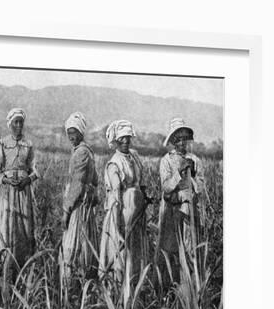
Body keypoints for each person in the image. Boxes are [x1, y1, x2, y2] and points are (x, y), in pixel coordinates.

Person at [0, 108, 39, 287]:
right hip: (7, 192)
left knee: (23, 228)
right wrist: (6, 179)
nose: (18, 125)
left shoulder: (28, 145)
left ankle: (22, 269)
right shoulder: (3, 144)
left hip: (23, 192)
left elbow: (36, 170)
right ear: (10, 124)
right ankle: (4, 268)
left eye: (21, 122)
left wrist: (27, 179)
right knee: (6, 226)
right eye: (15, 122)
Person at [99, 120, 149, 284]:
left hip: (136, 213)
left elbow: (140, 182)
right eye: (122, 138)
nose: (126, 141)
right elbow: (116, 197)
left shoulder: (134, 156)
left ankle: (135, 286)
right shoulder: (114, 164)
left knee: (135, 252)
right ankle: (116, 289)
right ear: (116, 141)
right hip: (121, 214)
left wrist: (144, 196)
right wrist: (118, 226)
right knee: (120, 253)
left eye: (128, 137)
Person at [157, 117, 205, 285]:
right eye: (178, 139)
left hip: (190, 211)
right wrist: (180, 172)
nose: (182, 142)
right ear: (173, 141)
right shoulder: (167, 161)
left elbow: (200, 187)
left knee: (191, 248)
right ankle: (171, 288)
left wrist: (191, 176)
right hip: (172, 212)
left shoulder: (196, 160)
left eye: (185, 138)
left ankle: (191, 287)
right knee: (172, 250)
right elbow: (166, 188)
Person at [60, 112, 99, 283]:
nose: (71, 136)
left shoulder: (81, 153)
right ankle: (84, 283)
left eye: (74, 132)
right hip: (85, 205)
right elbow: (95, 180)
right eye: (69, 133)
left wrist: (66, 210)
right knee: (85, 243)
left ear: (81, 133)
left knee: (73, 245)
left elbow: (77, 183)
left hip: (78, 207)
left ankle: (71, 287)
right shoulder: (86, 151)